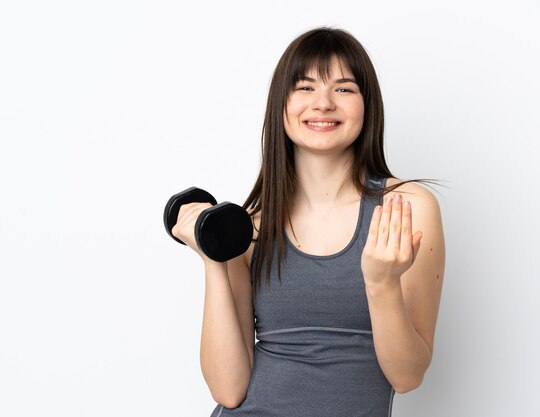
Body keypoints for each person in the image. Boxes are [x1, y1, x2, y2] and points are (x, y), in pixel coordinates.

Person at [172, 26, 445, 417]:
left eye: (344, 88)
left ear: (367, 105)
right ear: (281, 104)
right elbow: (228, 391)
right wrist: (213, 258)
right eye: (304, 87)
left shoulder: (406, 209)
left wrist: (382, 284)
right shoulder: (249, 227)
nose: (323, 103)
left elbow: (407, 377)